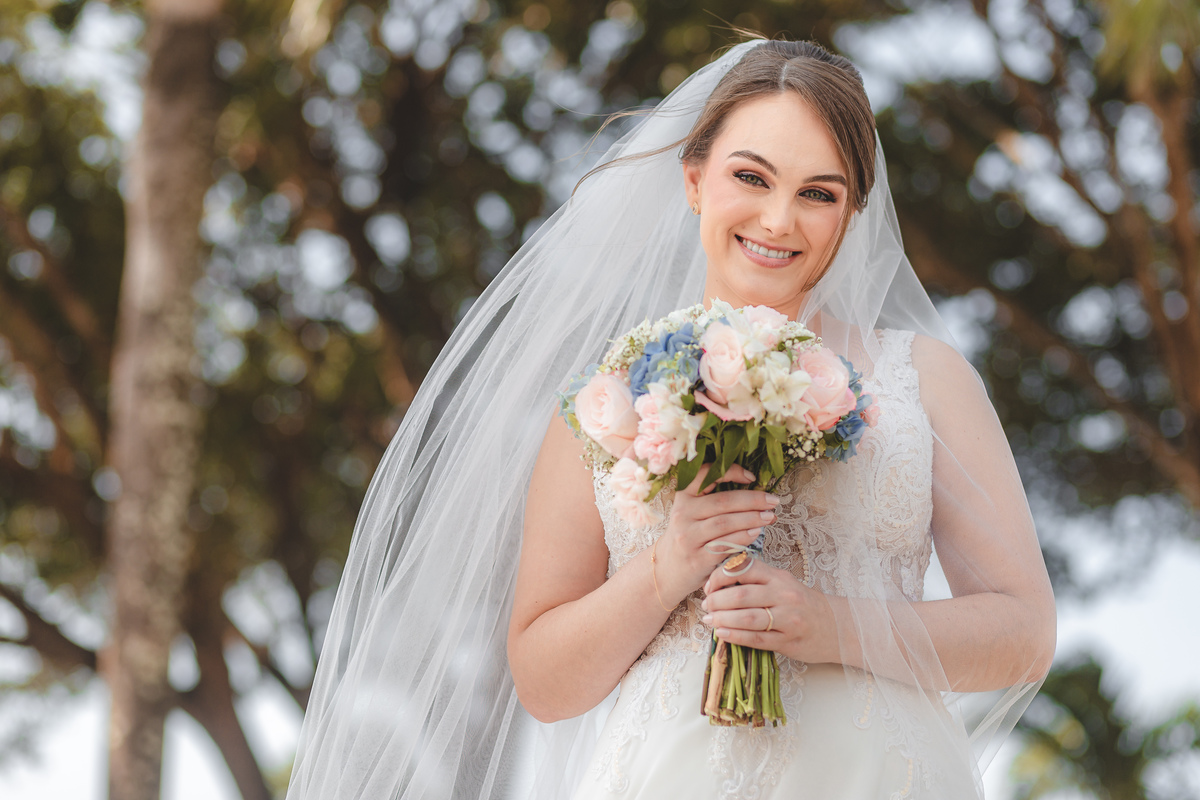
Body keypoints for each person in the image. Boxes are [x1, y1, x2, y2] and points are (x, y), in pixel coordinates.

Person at [286, 39, 1055, 800]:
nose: (779, 219)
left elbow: (1024, 635)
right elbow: (545, 682)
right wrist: (668, 566)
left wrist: (831, 626)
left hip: (882, 778)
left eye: (819, 193)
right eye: (750, 177)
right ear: (694, 180)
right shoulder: (608, 398)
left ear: (854, 211)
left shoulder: (924, 379)